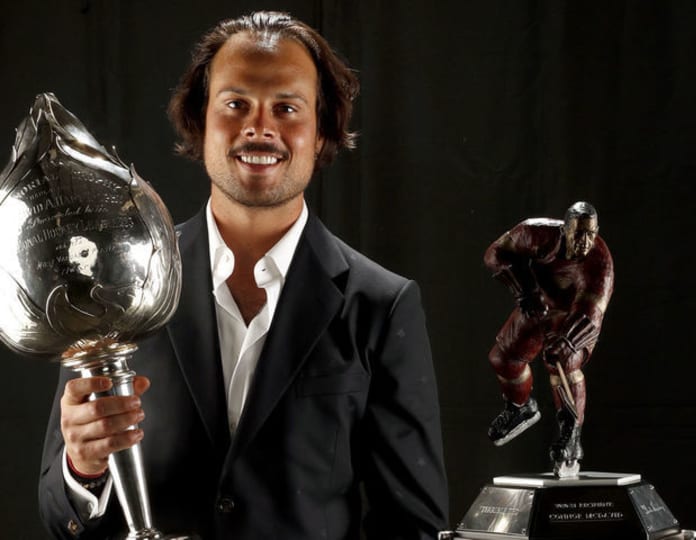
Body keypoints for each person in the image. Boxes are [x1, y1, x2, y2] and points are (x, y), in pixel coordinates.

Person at [39, 11, 448, 539]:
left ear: (322, 131)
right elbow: (58, 517)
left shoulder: (381, 305)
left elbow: (414, 526)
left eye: (287, 108)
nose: (260, 128)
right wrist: (82, 469)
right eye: (236, 104)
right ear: (199, 121)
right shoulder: (115, 287)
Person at [484, 201, 614, 476]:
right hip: (539, 305)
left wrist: (568, 342)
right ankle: (520, 407)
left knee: (563, 362)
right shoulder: (536, 234)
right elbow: (495, 253)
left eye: (590, 234)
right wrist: (524, 289)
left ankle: (571, 433)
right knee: (503, 358)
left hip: (572, 316)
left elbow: (590, 314)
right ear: (564, 230)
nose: (584, 242)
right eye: (578, 234)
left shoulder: (600, 262)